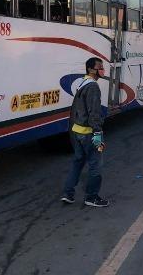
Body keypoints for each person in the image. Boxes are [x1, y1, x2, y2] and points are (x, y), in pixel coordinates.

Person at [61, 57, 109, 207]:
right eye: (99, 67)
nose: (102, 70)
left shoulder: (82, 82)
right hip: (89, 134)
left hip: (77, 132)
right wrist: (98, 134)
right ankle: (92, 197)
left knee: (77, 163)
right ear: (90, 69)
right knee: (96, 165)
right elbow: (94, 113)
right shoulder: (93, 87)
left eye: (102, 67)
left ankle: (68, 194)